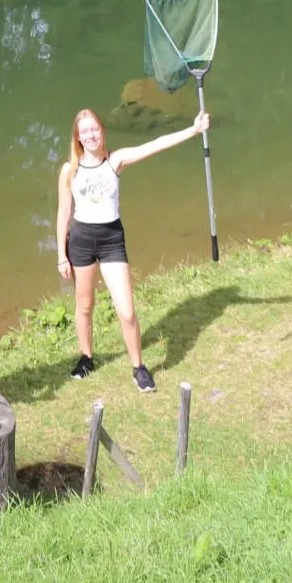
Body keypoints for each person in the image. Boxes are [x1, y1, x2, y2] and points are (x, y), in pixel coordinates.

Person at [56, 107, 210, 392]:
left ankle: (138, 367)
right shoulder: (69, 169)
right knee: (85, 306)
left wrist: (193, 130)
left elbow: (154, 145)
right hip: (81, 240)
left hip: (112, 238)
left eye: (95, 129)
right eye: (84, 131)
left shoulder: (116, 160)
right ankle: (87, 358)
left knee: (127, 312)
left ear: (102, 131)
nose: (90, 135)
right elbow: (63, 213)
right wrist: (61, 256)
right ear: (77, 137)